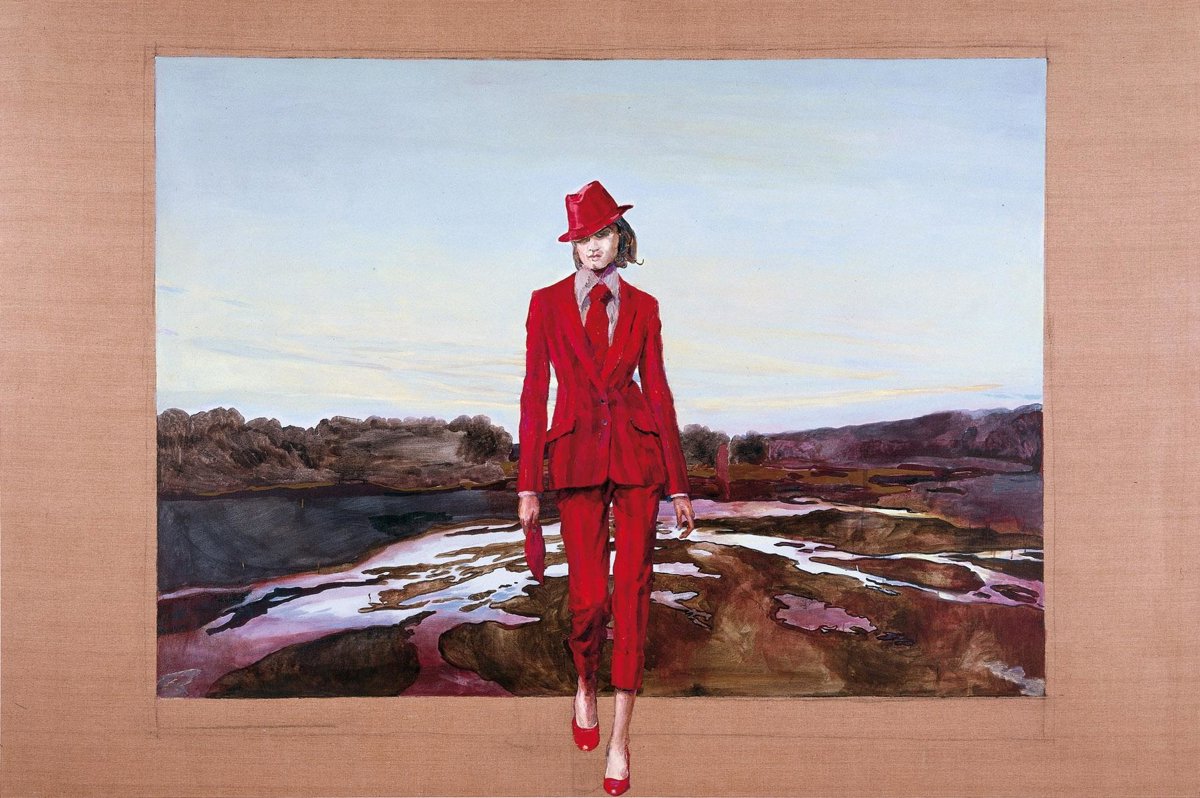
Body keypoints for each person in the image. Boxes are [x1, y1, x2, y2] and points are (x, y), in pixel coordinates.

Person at [517, 179, 696, 796]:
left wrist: (679, 485)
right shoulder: (546, 303)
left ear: (621, 238)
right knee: (589, 600)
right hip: (574, 460)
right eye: (582, 238)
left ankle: (620, 741)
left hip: (640, 460)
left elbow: (660, 391)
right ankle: (585, 685)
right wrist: (528, 485)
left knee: (634, 597)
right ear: (572, 246)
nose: (592, 247)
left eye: (602, 234)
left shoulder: (644, 306)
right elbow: (534, 394)